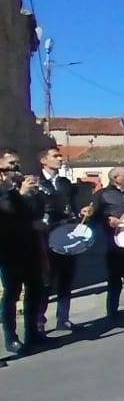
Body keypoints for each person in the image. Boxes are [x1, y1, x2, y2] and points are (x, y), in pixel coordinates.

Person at [35, 146, 86, 333]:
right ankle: (39, 321)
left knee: (66, 279)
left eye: (60, 155)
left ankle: (63, 319)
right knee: (46, 282)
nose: (60, 158)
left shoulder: (65, 183)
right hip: (45, 238)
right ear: (43, 161)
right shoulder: (36, 183)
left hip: (66, 235)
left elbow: (73, 205)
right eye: (55, 156)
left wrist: (81, 211)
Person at [0, 149, 43, 357]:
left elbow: (35, 213)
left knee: (35, 289)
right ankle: (11, 337)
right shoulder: (3, 189)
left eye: (17, 164)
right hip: (9, 249)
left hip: (30, 246)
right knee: (12, 294)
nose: (16, 169)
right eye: (11, 165)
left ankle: (33, 333)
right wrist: (19, 194)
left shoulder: (20, 186)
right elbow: (6, 212)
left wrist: (34, 195)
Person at [91, 167, 124, 318]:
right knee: (115, 276)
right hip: (112, 240)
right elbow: (93, 216)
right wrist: (107, 220)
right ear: (115, 178)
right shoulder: (102, 195)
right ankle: (112, 310)